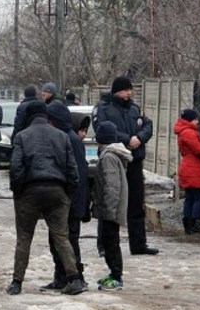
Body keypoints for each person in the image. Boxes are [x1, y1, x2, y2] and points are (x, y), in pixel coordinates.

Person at [6, 100, 84, 296]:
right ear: (46, 116)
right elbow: (72, 169)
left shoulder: (22, 136)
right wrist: (68, 192)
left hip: (30, 191)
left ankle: (17, 282)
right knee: (61, 237)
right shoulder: (61, 136)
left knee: (24, 238)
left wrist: (18, 191)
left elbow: (16, 168)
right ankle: (74, 278)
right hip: (57, 189)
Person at [92, 75, 157, 255]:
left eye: (130, 90)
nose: (130, 93)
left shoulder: (135, 108)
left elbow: (148, 125)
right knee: (110, 203)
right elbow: (103, 130)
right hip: (113, 161)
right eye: (126, 89)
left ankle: (138, 244)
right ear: (117, 91)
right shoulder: (103, 108)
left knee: (136, 204)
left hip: (134, 160)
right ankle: (105, 246)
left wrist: (139, 138)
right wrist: (129, 139)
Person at [41, 102, 89, 291]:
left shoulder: (70, 140)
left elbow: (77, 175)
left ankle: (77, 277)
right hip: (65, 200)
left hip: (70, 201)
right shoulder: (64, 138)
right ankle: (61, 277)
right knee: (57, 240)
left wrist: (73, 202)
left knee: (69, 241)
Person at [93, 121, 133, 291]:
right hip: (111, 208)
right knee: (108, 240)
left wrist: (108, 210)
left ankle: (116, 276)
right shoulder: (111, 154)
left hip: (111, 209)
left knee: (111, 241)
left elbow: (111, 186)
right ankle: (113, 273)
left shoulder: (108, 157)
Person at [173, 108, 200, 234]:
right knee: (199, 197)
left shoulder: (183, 131)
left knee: (189, 197)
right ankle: (195, 224)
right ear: (190, 120)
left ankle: (188, 224)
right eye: (195, 119)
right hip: (193, 168)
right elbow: (198, 150)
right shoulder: (189, 133)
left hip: (187, 167)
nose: (197, 122)